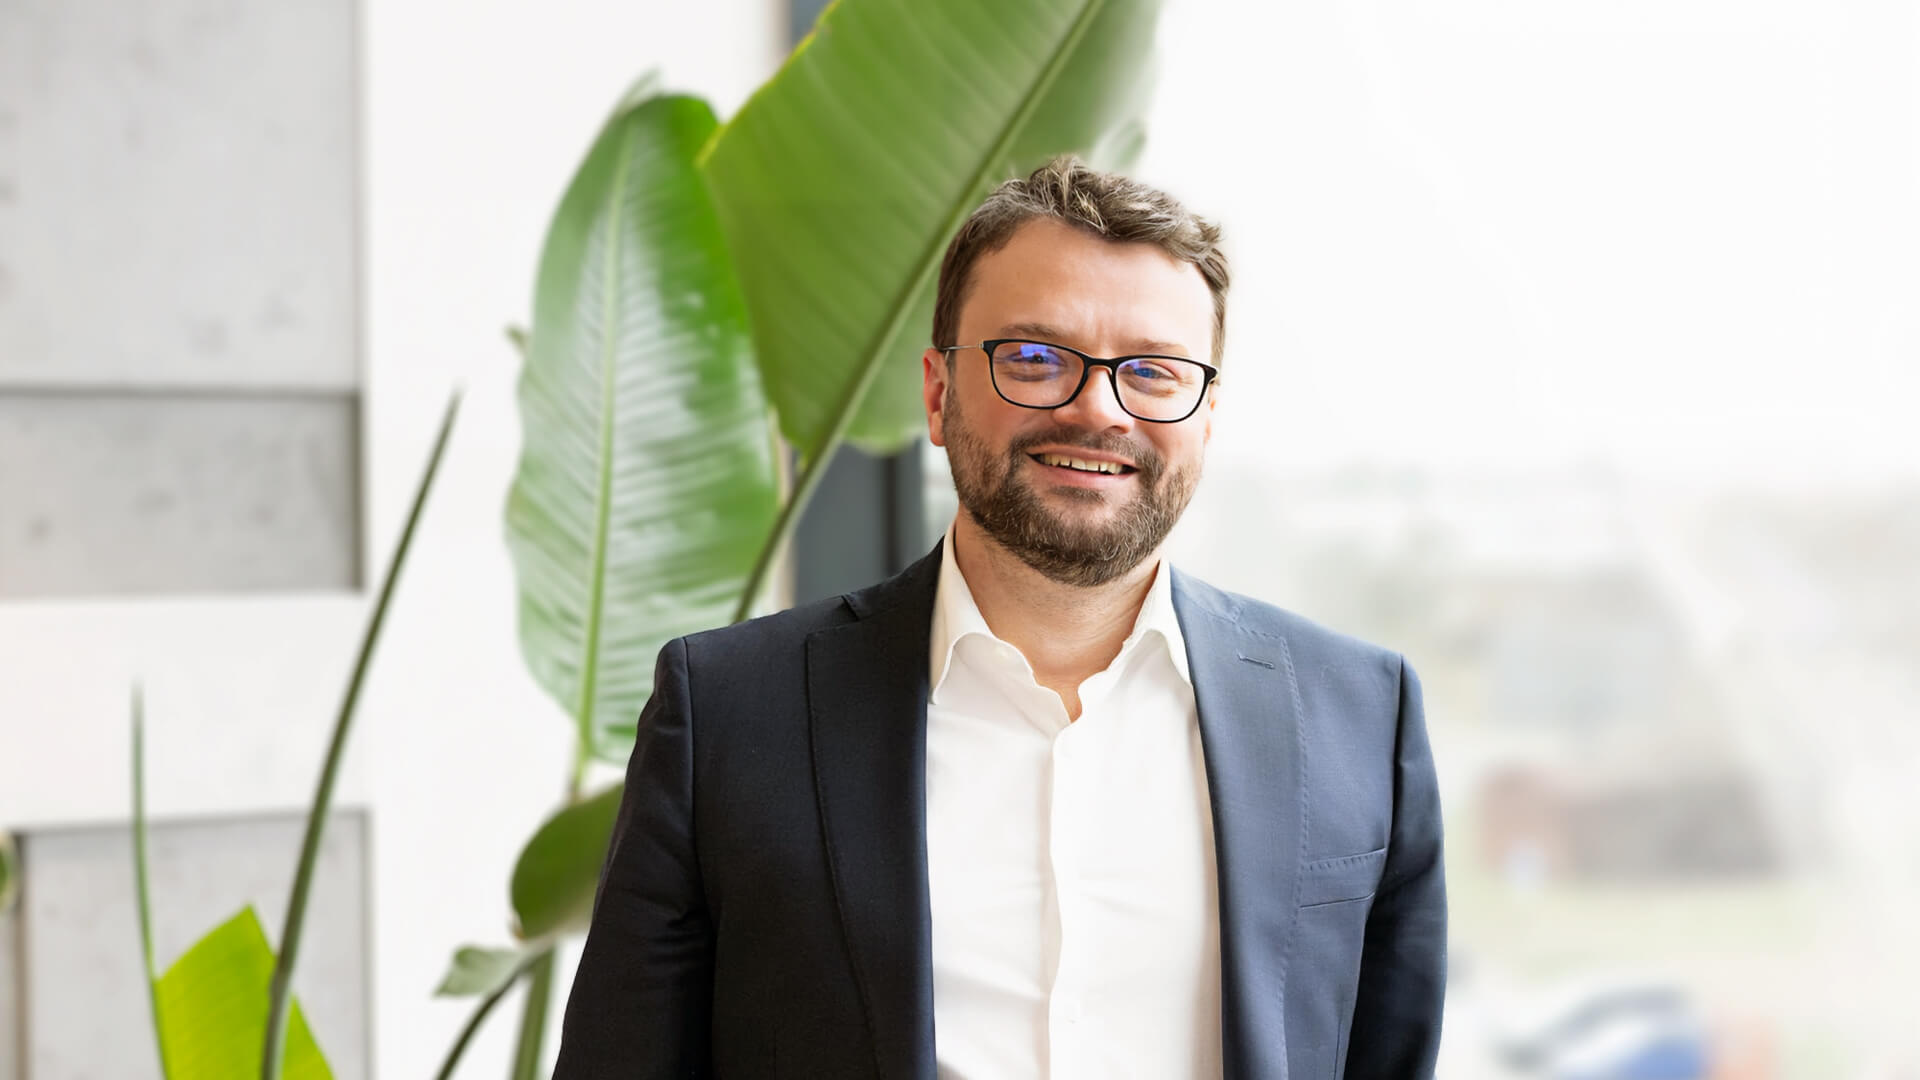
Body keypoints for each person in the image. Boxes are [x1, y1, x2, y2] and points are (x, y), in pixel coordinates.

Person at [553, 157, 1446, 1080]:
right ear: (938, 395)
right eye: (1033, 358)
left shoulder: (1359, 715)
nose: (1098, 407)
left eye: (1153, 371)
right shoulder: (732, 714)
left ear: (1207, 415)